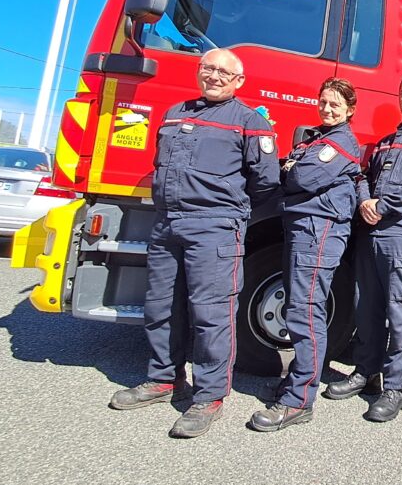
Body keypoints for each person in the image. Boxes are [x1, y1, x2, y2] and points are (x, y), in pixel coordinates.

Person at [109, 48, 279, 438]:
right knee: (161, 305)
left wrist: (229, 213)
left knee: (211, 314)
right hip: (168, 224)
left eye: (224, 72)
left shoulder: (249, 122)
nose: (215, 76)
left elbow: (265, 182)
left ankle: (209, 395)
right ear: (199, 72)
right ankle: (164, 378)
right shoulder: (175, 112)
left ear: (239, 82)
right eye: (209, 68)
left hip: (214, 227)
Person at [323, 72, 402, 423]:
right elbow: (362, 177)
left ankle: (396, 388)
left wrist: (381, 206)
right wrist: (364, 201)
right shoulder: (385, 143)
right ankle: (366, 372)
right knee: (367, 310)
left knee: (401, 314)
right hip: (372, 237)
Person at [248, 79, 362, 432]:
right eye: (323, 102)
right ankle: (295, 382)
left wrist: (291, 168)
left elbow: (301, 176)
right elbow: (294, 169)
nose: (327, 109)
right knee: (300, 306)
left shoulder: (341, 142)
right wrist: (291, 167)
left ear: (350, 110)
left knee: (306, 312)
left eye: (335, 104)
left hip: (318, 231)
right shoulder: (317, 138)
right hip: (303, 228)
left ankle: (299, 400)